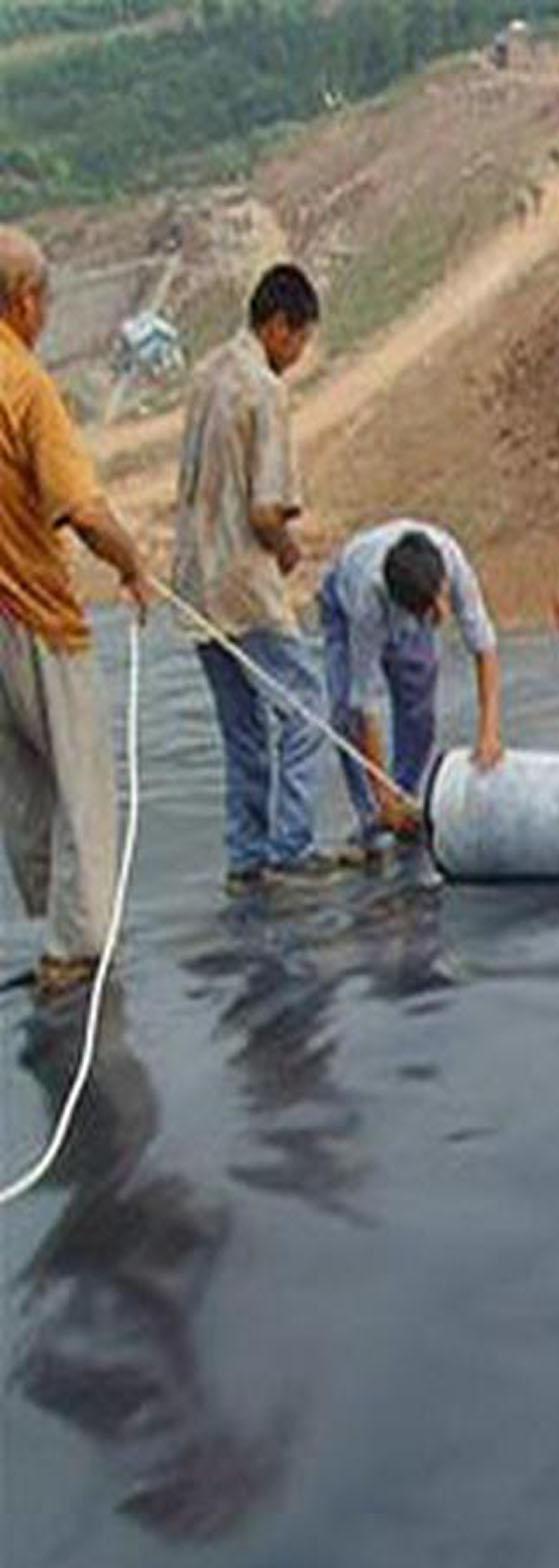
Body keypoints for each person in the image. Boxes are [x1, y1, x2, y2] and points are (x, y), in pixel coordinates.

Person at [0, 225, 154, 999]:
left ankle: (54, 918)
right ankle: (75, 947)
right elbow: (79, 509)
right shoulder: (25, 385)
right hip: (35, 617)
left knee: (24, 784)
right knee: (82, 781)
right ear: (26, 301)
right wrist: (132, 563)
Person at [173, 262, 334, 894]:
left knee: (242, 727)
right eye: (300, 341)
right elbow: (265, 511)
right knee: (306, 708)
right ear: (279, 327)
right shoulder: (263, 389)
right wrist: (291, 553)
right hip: (243, 582)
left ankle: (247, 858)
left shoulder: (206, 373)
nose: (297, 356)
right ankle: (290, 851)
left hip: (195, 582)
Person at [317, 520, 504, 853]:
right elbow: (366, 702)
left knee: (419, 710)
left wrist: (489, 733)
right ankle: (375, 817)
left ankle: (405, 800)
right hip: (342, 602)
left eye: (441, 600)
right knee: (346, 717)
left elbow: (484, 647)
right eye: (427, 611)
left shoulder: (451, 562)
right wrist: (381, 796)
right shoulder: (368, 600)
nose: (442, 613)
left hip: (407, 592)